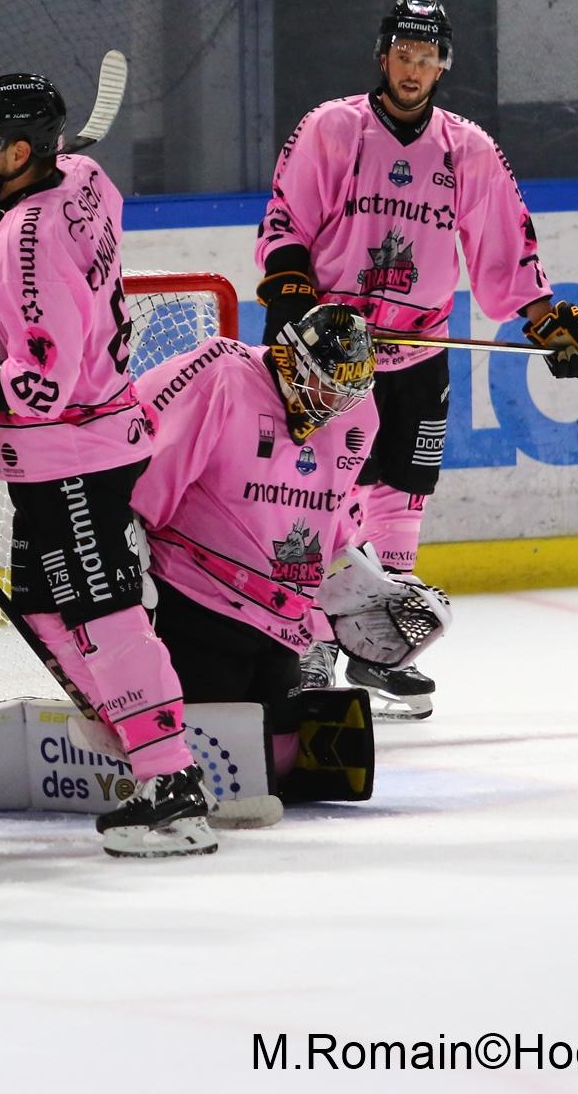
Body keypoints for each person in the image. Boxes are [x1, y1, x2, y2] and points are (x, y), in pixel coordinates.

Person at [254, 0, 578, 717]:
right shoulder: (333, 127)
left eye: (428, 57)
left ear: (441, 64)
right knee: (323, 494)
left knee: (406, 491)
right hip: (333, 348)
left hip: (417, 346)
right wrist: (293, 294)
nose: (414, 70)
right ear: (383, 55)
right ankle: (316, 639)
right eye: (404, 54)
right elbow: (287, 216)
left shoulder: (467, 148)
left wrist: (544, 321)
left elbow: (504, 247)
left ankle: (385, 645)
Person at [0, 73, 214, 859]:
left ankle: (172, 783)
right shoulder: (86, 179)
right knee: (43, 606)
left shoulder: (21, 248)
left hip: (72, 450)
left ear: (21, 151)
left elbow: (40, 383)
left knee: (104, 610)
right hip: (78, 444)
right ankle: (129, 725)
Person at [130, 304, 450, 800]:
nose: (335, 402)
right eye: (327, 383)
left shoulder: (356, 414)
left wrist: (362, 583)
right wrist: (127, 559)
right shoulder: (221, 379)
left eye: (349, 390)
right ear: (290, 359)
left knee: (279, 762)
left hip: (279, 621)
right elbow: (140, 477)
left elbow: (333, 514)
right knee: (222, 757)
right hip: (196, 600)